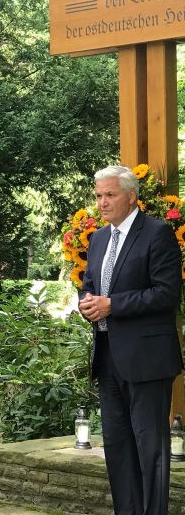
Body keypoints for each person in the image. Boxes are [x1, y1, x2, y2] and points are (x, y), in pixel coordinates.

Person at [79, 165, 182, 515]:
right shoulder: (97, 239)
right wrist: (88, 303)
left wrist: (112, 305)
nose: (102, 203)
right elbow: (90, 284)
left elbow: (167, 295)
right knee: (118, 447)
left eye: (110, 195)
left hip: (148, 359)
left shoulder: (157, 234)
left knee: (150, 449)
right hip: (107, 357)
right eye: (98, 196)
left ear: (131, 196)